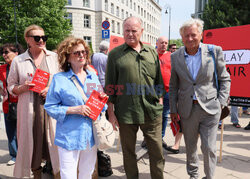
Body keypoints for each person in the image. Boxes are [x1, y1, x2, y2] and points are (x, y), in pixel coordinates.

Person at [169, 18, 231, 179]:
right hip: (187, 109)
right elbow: (174, 86)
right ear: (182, 38)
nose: (190, 39)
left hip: (210, 108)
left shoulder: (214, 51)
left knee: (209, 147)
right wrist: (173, 110)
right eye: (186, 36)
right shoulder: (175, 57)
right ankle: (193, 175)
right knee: (190, 146)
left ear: (201, 35)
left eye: (193, 35)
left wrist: (221, 103)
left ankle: (209, 176)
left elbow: (225, 79)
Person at [105, 16, 165, 179]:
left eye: (134, 30)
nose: (130, 34)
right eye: (127, 30)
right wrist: (111, 113)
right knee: (129, 153)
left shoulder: (152, 52)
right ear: (123, 31)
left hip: (151, 112)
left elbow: (159, 81)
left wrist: (160, 103)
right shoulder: (115, 54)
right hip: (126, 112)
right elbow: (110, 86)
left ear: (141, 31)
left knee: (157, 152)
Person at [45, 36, 107, 179]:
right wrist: (74, 109)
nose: (81, 55)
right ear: (67, 57)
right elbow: (50, 107)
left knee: (87, 172)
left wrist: (101, 101)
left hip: (90, 135)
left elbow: (100, 107)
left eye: (84, 52)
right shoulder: (59, 79)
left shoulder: (92, 77)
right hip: (69, 136)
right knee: (68, 175)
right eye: (76, 53)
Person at [7, 25, 60, 178]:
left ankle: (56, 172)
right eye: (37, 38)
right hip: (29, 110)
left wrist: (50, 88)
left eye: (44, 37)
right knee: (32, 145)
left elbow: (62, 82)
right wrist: (22, 88)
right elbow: (11, 87)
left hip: (51, 109)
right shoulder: (18, 60)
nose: (41, 40)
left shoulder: (54, 57)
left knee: (53, 144)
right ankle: (36, 174)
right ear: (27, 39)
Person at [0, 43, 24, 166]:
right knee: (11, 131)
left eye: (6, 52)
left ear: (16, 53)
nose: (4, 55)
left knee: (24, 131)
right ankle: (14, 155)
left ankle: (26, 154)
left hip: (23, 104)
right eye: (3, 53)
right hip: (8, 105)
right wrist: (2, 92)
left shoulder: (23, 66)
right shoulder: (2, 68)